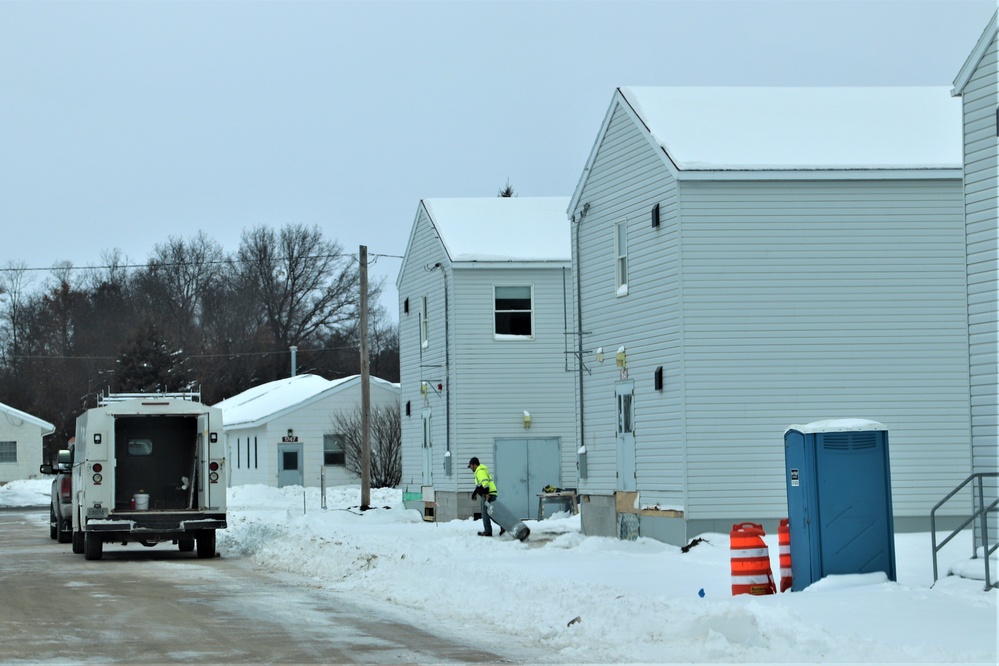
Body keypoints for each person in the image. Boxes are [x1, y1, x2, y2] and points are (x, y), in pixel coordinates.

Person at [467, 457, 498, 536]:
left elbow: (485, 483)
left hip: (488, 495)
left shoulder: (480, 471)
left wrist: (487, 494)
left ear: (474, 465)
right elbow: (479, 485)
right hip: (490, 493)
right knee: (491, 513)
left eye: (470, 466)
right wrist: (475, 493)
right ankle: (502, 526)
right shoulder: (479, 471)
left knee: (485, 513)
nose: (470, 468)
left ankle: (488, 531)